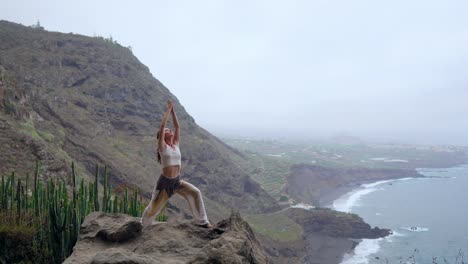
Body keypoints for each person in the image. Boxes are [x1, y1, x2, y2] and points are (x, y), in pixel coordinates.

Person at [140, 100, 212, 228]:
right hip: (165, 183)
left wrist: (173, 111)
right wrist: (167, 111)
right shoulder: (162, 147)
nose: (170, 131)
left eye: (170, 130)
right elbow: (162, 128)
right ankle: (142, 224)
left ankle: (203, 222)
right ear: (162, 135)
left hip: (177, 181)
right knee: (154, 207)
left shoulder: (175, 145)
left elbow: (178, 127)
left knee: (195, 192)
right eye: (168, 130)